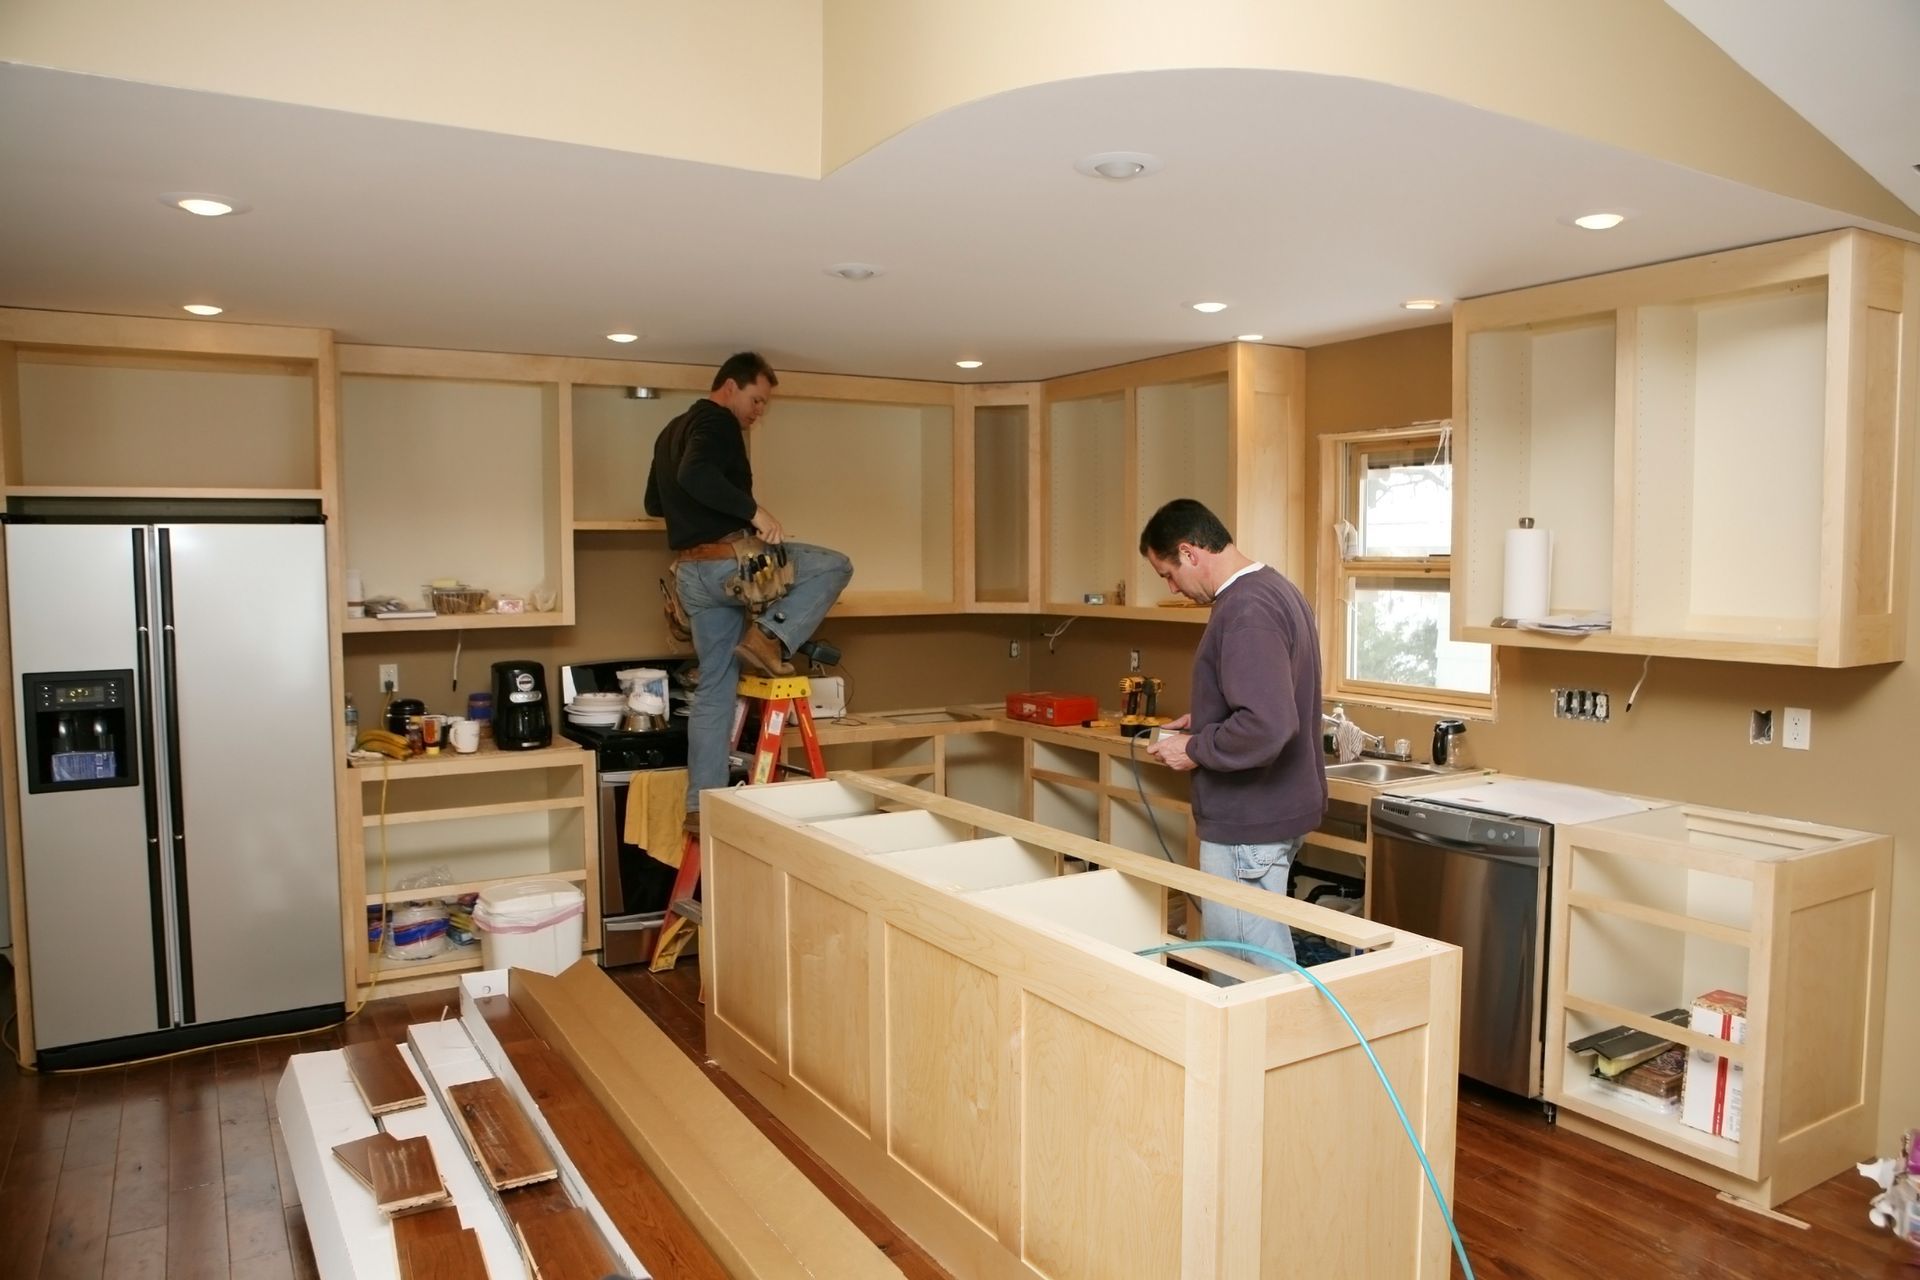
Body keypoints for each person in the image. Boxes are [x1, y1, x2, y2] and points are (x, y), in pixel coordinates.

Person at [645, 352, 853, 833]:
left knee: (714, 690)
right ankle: (770, 638)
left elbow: (655, 501)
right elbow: (695, 475)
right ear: (730, 387)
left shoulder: (668, 432)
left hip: (690, 577)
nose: (758, 411)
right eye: (756, 400)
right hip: (728, 565)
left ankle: (701, 806)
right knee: (835, 565)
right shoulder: (716, 422)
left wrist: (695, 514)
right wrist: (755, 514)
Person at [1140, 498, 1324, 972]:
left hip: (1248, 822)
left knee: (1248, 971)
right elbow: (1265, 699)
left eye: (1167, 573)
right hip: (1272, 810)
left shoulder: (1245, 609)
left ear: (1190, 552)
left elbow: (1268, 723)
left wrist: (1196, 748)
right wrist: (1202, 720)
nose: (1172, 587)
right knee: (1253, 959)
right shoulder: (1274, 589)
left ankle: (1280, 1049)